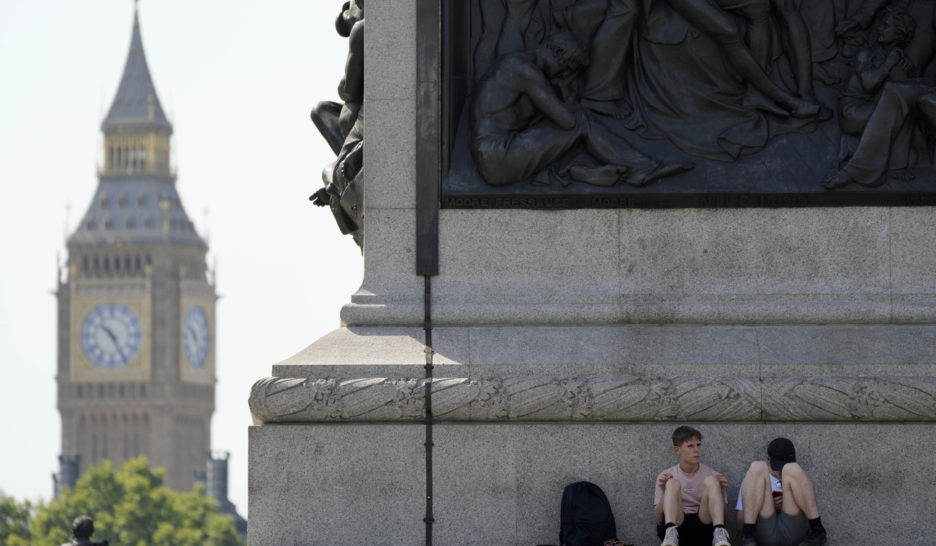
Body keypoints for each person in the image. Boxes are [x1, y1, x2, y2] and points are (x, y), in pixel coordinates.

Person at [470, 31, 691, 187]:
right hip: (499, 156)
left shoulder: (516, 68)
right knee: (580, 121)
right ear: (555, 52)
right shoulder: (524, 70)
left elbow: (547, 130)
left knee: (564, 129)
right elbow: (569, 123)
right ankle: (643, 168)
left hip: (498, 154)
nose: (564, 74)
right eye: (566, 66)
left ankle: (582, 172)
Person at [735, 438, 828, 546]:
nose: (781, 470)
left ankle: (818, 531)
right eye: (778, 466)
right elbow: (739, 524)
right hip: (765, 530)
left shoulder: (796, 475)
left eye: (784, 465)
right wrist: (769, 505)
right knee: (757, 466)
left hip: (793, 529)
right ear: (768, 459)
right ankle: (748, 537)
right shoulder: (753, 480)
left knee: (792, 469)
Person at [654, 426, 731, 546]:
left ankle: (719, 532)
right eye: (690, 446)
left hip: (705, 527)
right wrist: (665, 492)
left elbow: (725, 518)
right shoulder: (666, 476)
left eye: (698, 445)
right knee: (672, 483)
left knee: (711, 481)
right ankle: (671, 533)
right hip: (677, 526)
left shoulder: (713, 475)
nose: (697, 450)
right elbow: (658, 520)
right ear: (677, 450)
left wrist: (721, 492)